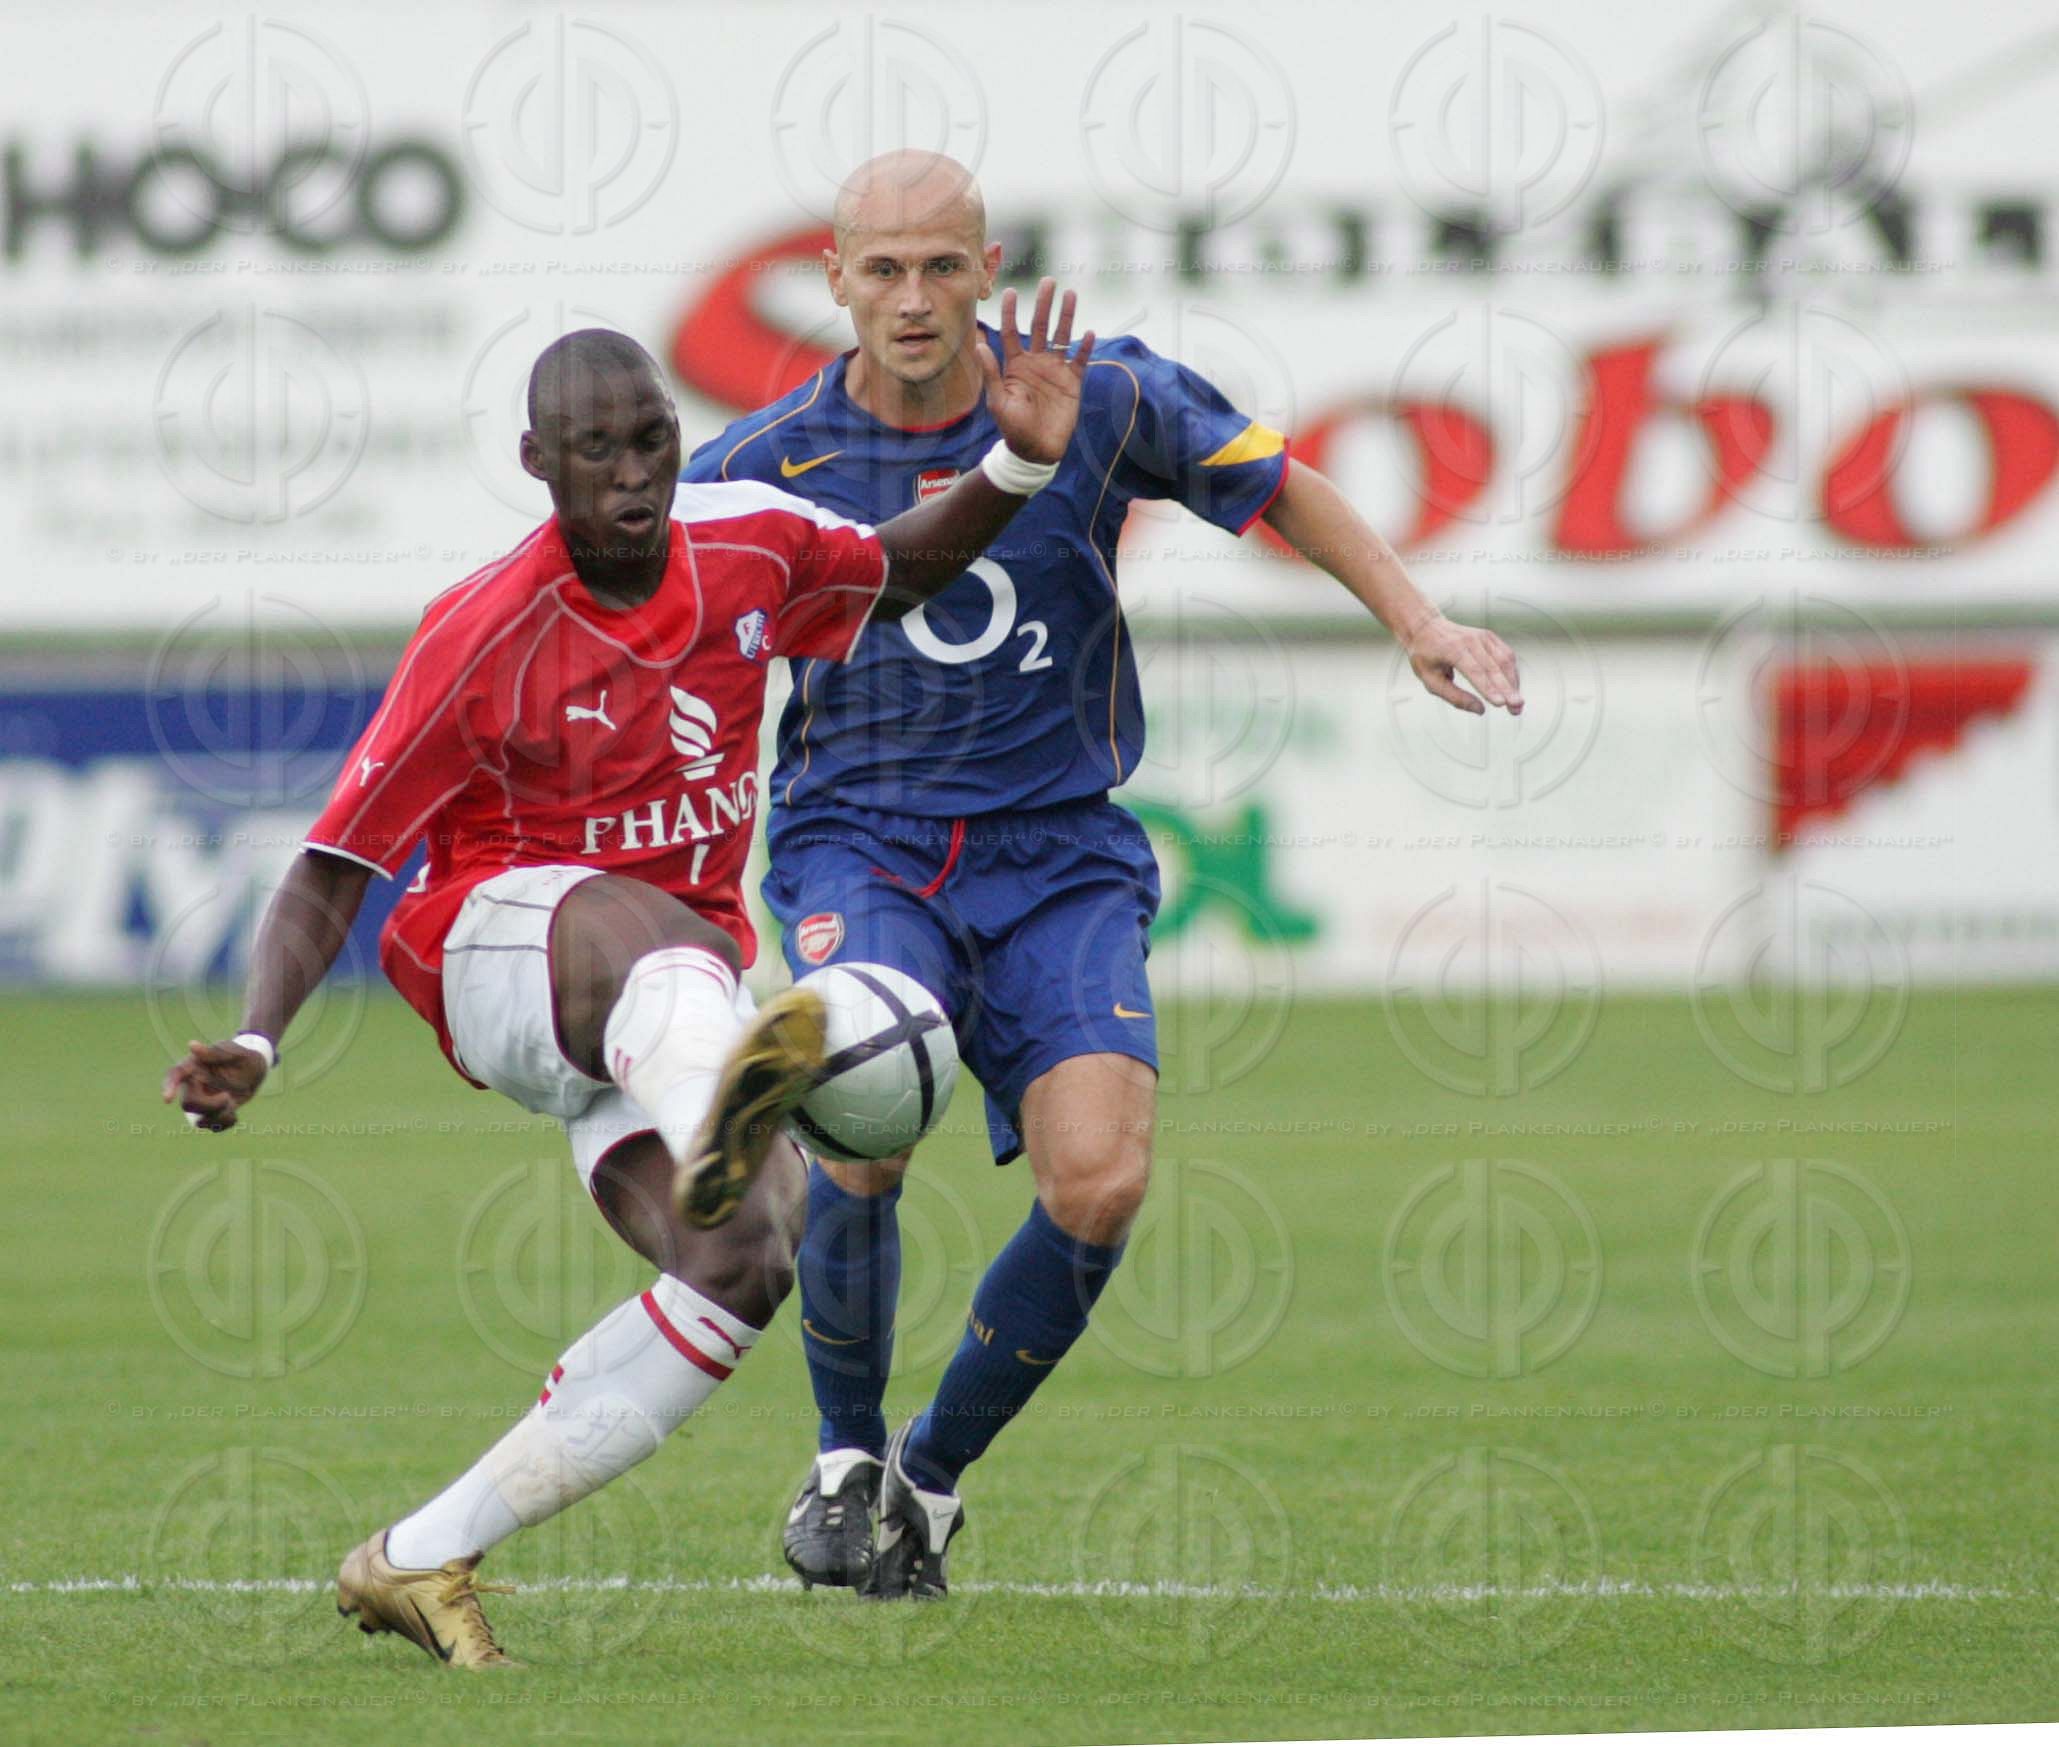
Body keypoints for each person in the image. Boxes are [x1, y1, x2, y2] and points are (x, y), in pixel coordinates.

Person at [158, 301, 1094, 1666]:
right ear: (537, 463)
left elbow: (892, 573)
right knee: (652, 939)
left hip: (668, 998)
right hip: (503, 949)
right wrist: (258, 1037)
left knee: (746, 1257)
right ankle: (731, 1107)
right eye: (596, 450)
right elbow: (333, 864)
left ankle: (421, 1554)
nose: (634, 472)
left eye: (652, 440)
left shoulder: (752, 542)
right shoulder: (482, 629)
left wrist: (1016, 466)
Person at [683, 151, 1525, 1600]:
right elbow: (656, 641)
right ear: (833, 280)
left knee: (1102, 1181)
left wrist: (1419, 621)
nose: (913, 297)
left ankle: (927, 1481)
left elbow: (1282, 485)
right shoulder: (760, 466)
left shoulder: (1103, 395)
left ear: (989, 269)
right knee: (867, 1129)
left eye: (942, 266)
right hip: (863, 841)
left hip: (1058, 854)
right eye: (882, 269)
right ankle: (841, 1460)